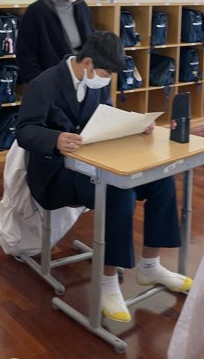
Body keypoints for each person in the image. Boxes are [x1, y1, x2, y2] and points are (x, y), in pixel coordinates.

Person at [17, 31, 189, 322]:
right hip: (56, 174)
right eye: (105, 73)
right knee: (119, 193)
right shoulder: (43, 84)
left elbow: (105, 117)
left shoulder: (95, 82)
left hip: (92, 166)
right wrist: (55, 139)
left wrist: (134, 124)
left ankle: (150, 265)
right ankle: (108, 283)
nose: (107, 80)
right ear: (87, 63)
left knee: (161, 182)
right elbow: (24, 131)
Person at [17, 0, 93, 86]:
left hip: (82, 82)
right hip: (51, 85)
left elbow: (90, 43)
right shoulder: (36, 12)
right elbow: (26, 58)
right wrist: (41, 86)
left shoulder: (82, 8)